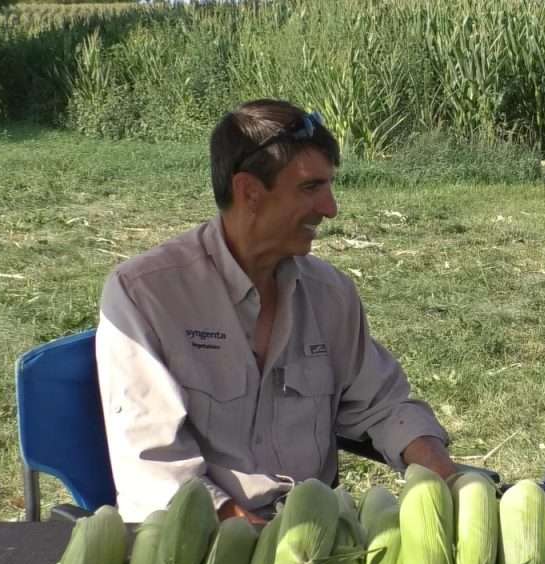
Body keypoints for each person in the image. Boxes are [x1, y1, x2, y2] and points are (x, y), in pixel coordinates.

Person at [96, 99, 456, 523]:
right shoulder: (146, 295)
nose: (331, 208)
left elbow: (383, 406)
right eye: (310, 188)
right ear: (249, 191)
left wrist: (451, 481)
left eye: (329, 186)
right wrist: (255, 537)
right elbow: (155, 467)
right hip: (200, 536)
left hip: (312, 533)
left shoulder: (331, 294)